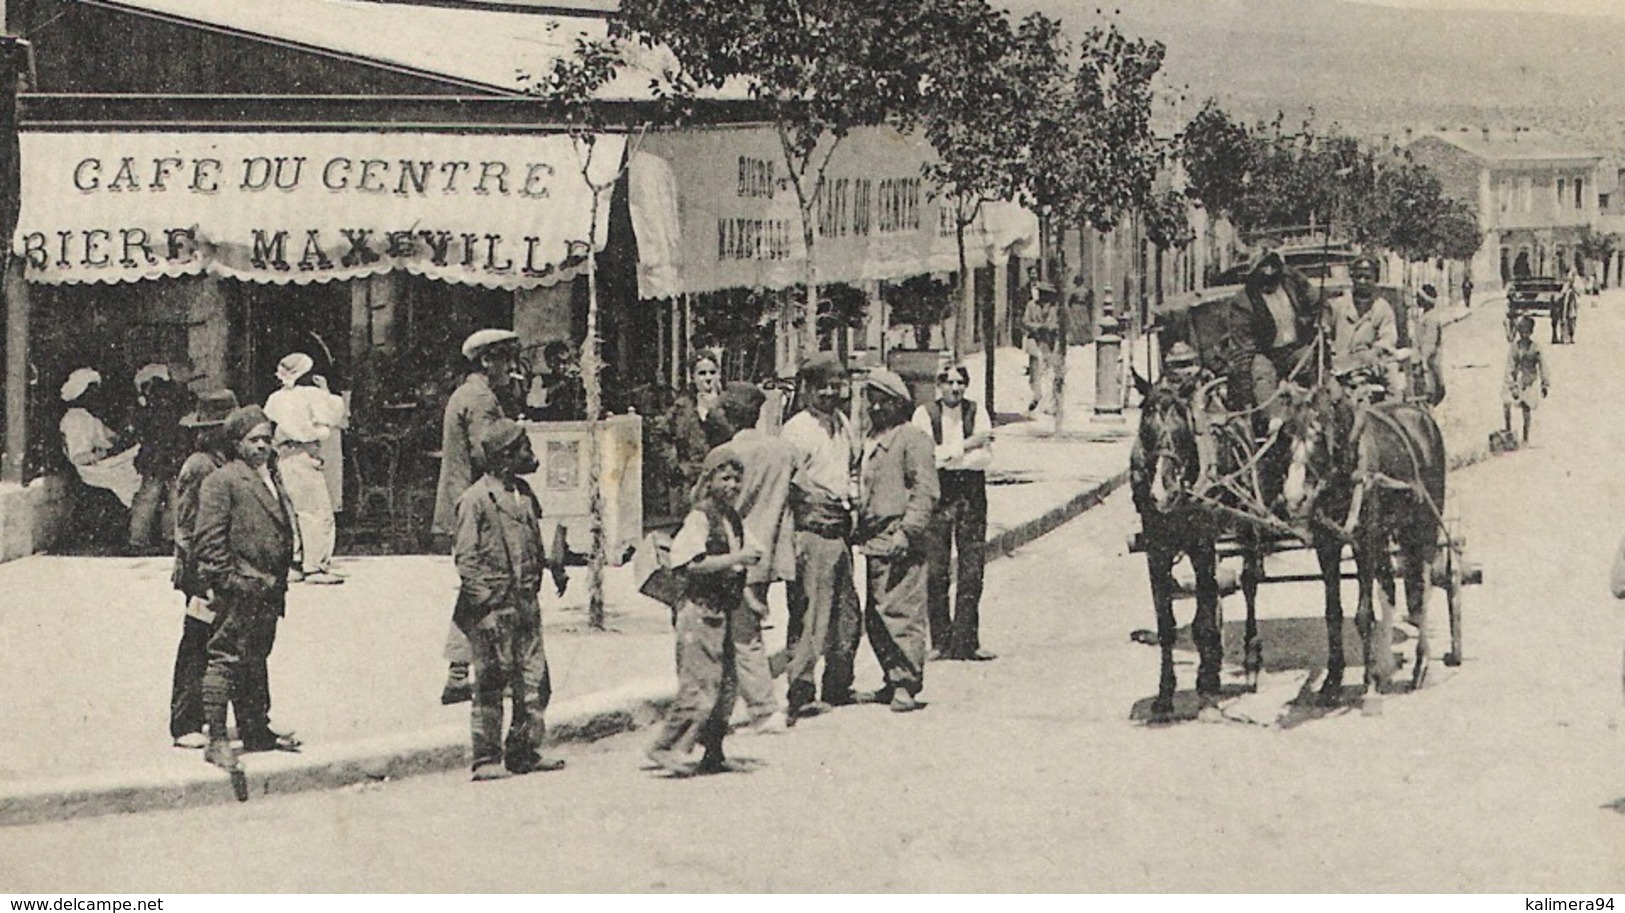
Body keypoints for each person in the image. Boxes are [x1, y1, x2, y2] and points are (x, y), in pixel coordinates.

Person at [452, 418, 568, 781]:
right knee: (491, 682)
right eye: (523, 448)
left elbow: (533, 538)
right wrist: (483, 607)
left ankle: (524, 751)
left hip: (525, 605)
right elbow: (466, 560)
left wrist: (554, 567)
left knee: (534, 681)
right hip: (493, 607)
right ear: (504, 457)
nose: (530, 454)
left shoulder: (524, 494)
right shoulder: (475, 501)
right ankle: (486, 758)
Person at [195, 405, 304, 777]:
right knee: (225, 658)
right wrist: (233, 582)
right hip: (241, 588)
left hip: (268, 590)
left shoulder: (269, 476)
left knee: (256, 657)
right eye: (253, 440)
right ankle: (216, 741)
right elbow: (209, 544)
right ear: (237, 443)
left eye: (266, 440)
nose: (261, 446)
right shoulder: (223, 481)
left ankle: (256, 728)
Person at [646, 447, 759, 775]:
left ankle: (714, 750)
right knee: (699, 686)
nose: (733, 485)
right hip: (698, 611)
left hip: (722, 610)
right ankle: (665, 747)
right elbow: (691, 562)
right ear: (709, 481)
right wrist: (735, 560)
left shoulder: (731, 517)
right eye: (725, 478)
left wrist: (750, 598)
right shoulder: (701, 517)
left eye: (738, 479)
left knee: (725, 687)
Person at [434, 328, 524, 705]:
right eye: (506, 359)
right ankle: (484, 669)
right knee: (490, 586)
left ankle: (458, 672)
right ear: (488, 361)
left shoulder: (465, 394)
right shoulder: (482, 400)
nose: (510, 368)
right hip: (480, 505)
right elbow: (488, 452)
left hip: (461, 501)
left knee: (476, 586)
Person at [779, 352, 862, 722]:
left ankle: (839, 685)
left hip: (841, 527)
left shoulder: (842, 423)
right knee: (810, 612)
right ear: (807, 389)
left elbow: (852, 467)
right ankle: (801, 689)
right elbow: (790, 483)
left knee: (846, 613)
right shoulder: (797, 429)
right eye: (822, 386)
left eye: (836, 385)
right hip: (812, 528)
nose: (830, 392)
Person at [851, 368, 939, 713]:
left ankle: (906, 683)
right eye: (871, 402)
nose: (875, 409)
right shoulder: (871, 439)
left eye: (882, 403)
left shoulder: (912, 438)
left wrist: (908, 530)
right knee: (877, 613)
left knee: (902, 611)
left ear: (898, 404)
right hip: (874, 537)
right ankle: (891, 677)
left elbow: (925, 492)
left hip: (899, 534)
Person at [714, 381, 795, 734]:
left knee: (743, 636)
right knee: (737, 633)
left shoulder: (726, 456)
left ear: (729, 414)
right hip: (768, 556)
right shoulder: (782, 451)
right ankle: (720, 713)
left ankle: (764, 710)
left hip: (733, 555)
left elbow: (703, 501)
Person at [167, 389, 239, 750]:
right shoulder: (200, 465)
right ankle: (185, 722)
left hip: (217, 567)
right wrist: (202, 577)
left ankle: (221, 719)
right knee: (196, 645)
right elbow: (186, 528)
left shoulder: (222, 461)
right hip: (199, 571)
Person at [911, 364, 995, 662]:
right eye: (949, 383)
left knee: (972, 569)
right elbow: (926, 458)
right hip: (938, 497)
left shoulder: (977, 411)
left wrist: (949, 452)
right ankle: (940, 642)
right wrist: (966, 446)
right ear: (939, 385)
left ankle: (967, 642)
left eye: (960, 383)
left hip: (971, 496)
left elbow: (983, 459)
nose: (955, 388)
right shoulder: (924, 415)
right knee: (936, 571)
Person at [263, 353, 348, 585]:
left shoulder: (275, 399)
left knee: (292, 512)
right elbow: (336, 414)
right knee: (316, 511)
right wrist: (327, 390)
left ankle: (296, 561)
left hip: (283, 456)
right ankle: (315, 566)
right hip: (304, 454)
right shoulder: (312, 395)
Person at [59, 367, 141, 546]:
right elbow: (79, 457)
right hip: (90, 468)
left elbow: (110, 438)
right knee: (135, 477)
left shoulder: (88, 416)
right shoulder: (75, 419)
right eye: (92, 391)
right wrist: (106, 453)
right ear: (82, 392)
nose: (97, 395)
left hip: (101, 462)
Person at [1241, 246, 1323, 409]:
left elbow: (1319, 304)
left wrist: (1322, 321)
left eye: (1273, 265)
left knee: (1320, 381)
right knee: (1262, 379)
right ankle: (1275, 423)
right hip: (1266, 355)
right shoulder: (1245, 300)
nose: (1269, 271)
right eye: (1264, 266)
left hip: (1296, 349)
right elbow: (1244, 344)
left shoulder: (1294, 284)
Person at [128, 364, 192, 555]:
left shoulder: (146, 406)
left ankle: (138, 540)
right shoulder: (175, 401)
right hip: (172, 455)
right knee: (173, 497)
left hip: (153, 457)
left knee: (149, 497)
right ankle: (170, 538)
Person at [1328, 255, 1403, 396]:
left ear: (1375, 279)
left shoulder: (1382, 308)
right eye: (1359, 276)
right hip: (1339, 368)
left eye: (1368, 277)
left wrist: (1375, 351)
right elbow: (1325, 333)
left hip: (1371, 367)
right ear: (1352, 278)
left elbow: (1388, 337)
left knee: (1394, 394)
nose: (1362, 281)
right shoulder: (1337, 306)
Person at [670, 351, 724, 511]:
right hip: (694, 478)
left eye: (712, 373)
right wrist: (677, 465)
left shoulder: (728, 403)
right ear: (692, 377)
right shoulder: (682, 406)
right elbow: (660, 435)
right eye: (702, 373)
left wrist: (714, 410)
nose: (708, 378)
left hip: (723, 476)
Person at [1502, 314, 1549, 445]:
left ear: (1531, 332)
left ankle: (1525, 437)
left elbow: (1543, 366)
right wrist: (1512, 386)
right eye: (1521, 333)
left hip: (1530, 380)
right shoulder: (1514, 347)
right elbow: (1510, 366)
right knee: (1506, 402)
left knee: (1526, 406)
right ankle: (1508, 431)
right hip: (1517, 379)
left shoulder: (1536, 347)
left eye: (1527, 333)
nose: (1524, 336)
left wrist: (1545, 384)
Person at [1022, 281, 1063, 414]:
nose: (1043, 296)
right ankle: (1036, 396)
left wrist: (1052, 328)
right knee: (1036, 371)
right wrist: (1039, 327)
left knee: (1050, 373)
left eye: (1046, 294)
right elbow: (1026, 322)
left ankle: (1050, 404)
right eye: (1042, 293)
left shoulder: (1054, 308)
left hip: (1049, 342)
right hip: (1034, 340)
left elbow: (1058, 324)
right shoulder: (1031, 305)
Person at [525, 340, 586, 422]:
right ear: (549, 362)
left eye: (565, 362)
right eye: (557, 361)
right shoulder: (540, 380)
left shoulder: (574, 380)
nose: (562, 366)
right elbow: (531, 401)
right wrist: (555, 387)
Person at [1411, 284, 1447, 407]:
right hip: (1422, 365)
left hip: (1428, 367)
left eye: (1419, 297)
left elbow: (1429, 344)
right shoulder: (1425, 316)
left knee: (1426, 398)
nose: (1416, 300)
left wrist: (1423, 363)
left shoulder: (1431, 319)